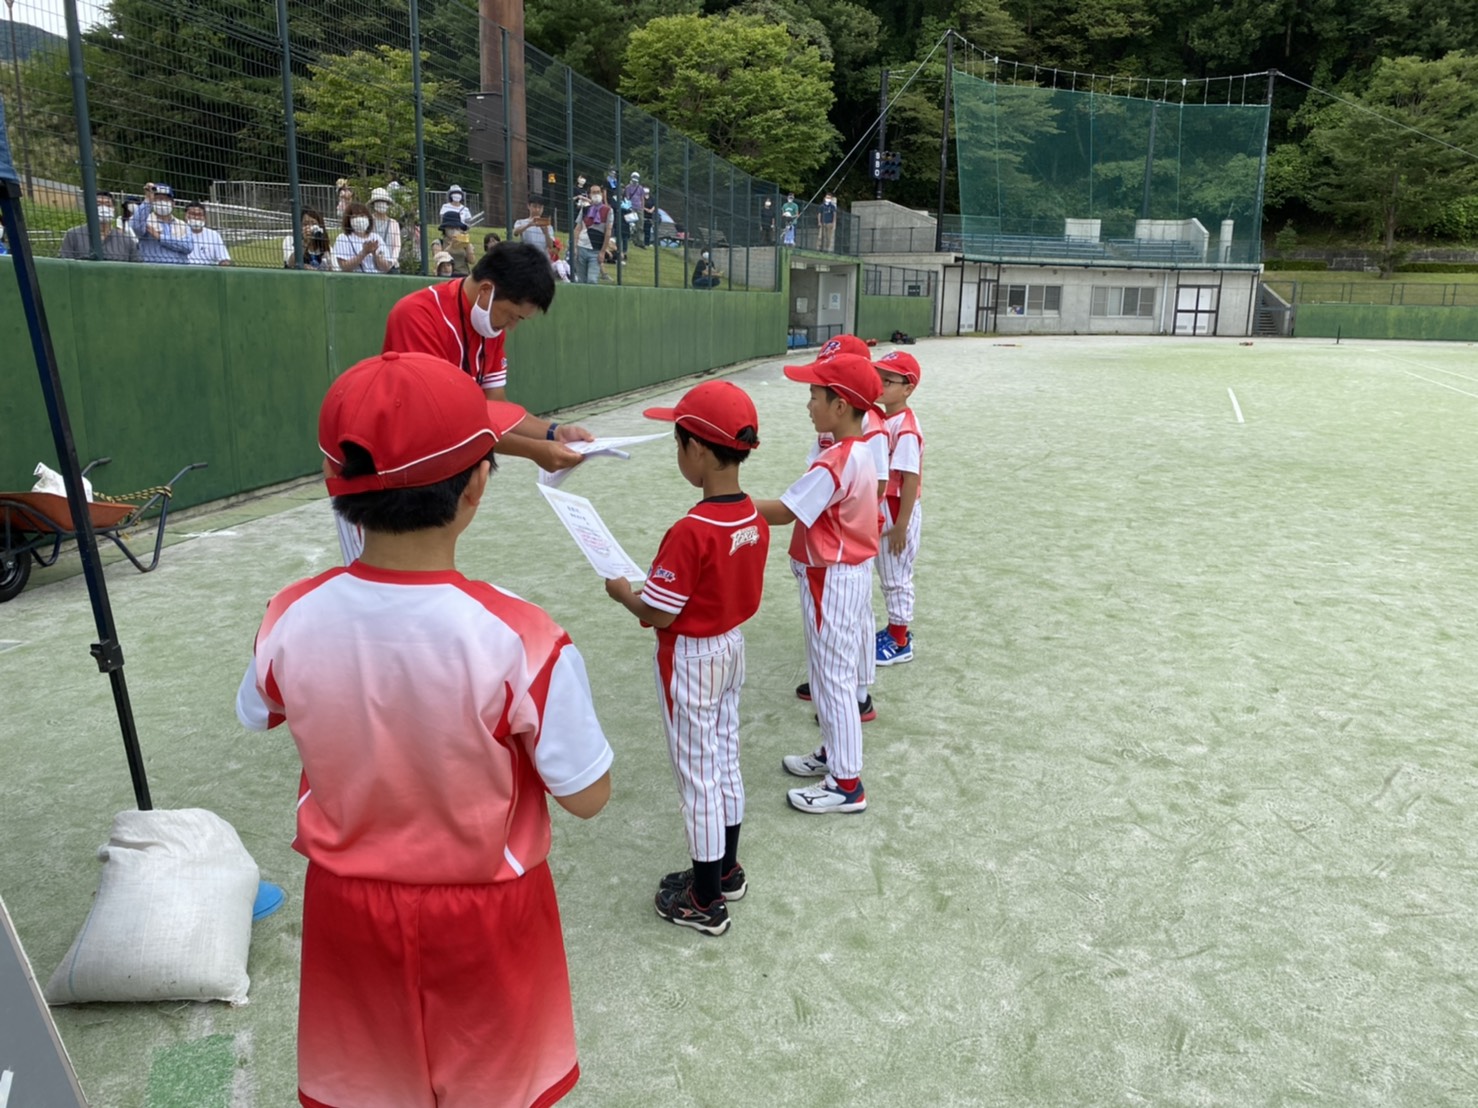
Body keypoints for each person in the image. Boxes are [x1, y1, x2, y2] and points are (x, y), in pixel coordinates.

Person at [236, 350, 614, 1108]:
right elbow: (588, 795)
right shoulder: (523, 634)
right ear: (477, 483)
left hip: (349, 907)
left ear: (333, 485)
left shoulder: (289, 613)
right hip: (488, 914)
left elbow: (260, 710)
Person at [604, 381, 768, 936]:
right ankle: (725, 871)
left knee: (698, 776)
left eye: (679, 443)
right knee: (724, 758)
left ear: (696, 449)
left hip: (692, 658)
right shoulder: (754, 515)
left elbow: (661, 614)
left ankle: (704, 900)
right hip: (731, 648)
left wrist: (624, 593)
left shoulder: (691, 529)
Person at [754, 352, 883, 814]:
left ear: (841, 405)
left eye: (815, 395)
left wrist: (729, 502)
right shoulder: (857, 450)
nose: (808, 403)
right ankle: (833, 754)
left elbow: (787, 511)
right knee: (832, 676)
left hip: (831, 579)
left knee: (833, 680)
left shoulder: (838, 460)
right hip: (838, 577)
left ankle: (846, 784)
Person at [872, 351, 924, 666]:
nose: (880, 385)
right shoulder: (886, 418)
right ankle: (895, 629)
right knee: (889, 573)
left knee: (896, 575)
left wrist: (901, 525)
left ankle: (900, 639)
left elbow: (909, 478)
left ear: (908, 388)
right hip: (888, 508)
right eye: (878, 377)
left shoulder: (904, 426)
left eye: (888, 381)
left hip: (897, 511)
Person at [60, 190, 140, 262]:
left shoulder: (127, 241)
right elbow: (64, 264)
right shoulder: (73, 235)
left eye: (108, 205)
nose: (103, 208)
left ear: (113, 209)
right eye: (98, 204)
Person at [131, 183, 194, 264]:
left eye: (165, 199)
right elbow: (136, 226)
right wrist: (148, 200)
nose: (162, 202)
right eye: (158, 199)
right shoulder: (146, 221)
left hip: (180, 273)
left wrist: (160, 237)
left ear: (173, 203)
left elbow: (188, 246)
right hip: (154, 272)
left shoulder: (182, 225)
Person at [333, 202, 394, 274]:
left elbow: (386, 268)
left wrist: (375, 254)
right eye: (354, 217)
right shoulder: (343, 238)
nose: (359, 219)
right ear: (348, 220)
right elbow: (344, 267)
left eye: (362, 215)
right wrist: (364, 253)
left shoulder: (376, 238)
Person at [574, 183, 616, 284]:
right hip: (581, 248)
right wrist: (575, 247)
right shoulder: (585, 209)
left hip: (595, 250)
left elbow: (608, 232)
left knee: (592, 280)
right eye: (593, 192)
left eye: (598, 192)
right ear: (589, 195)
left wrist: (603, 251)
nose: (596, 194)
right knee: (581, 280)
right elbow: (577, 229)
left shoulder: (608, 210)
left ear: (602, 194)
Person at [184, 202, 232, 266]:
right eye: (193, 214)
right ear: (186, 215)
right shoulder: (178, 232)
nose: (196, 217)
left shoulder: (214, 235)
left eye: (200, 214)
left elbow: (224, 259)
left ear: (204, 217)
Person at [368, 187, 402, 273]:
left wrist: (391, 261)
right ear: (373, 204)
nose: (381, 204)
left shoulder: (394, 223)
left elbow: (397, 246)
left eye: (384, 201)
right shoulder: (369, 221)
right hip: (372, 266)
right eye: (378, 201)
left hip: (391, 266)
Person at [622, 172, 644, 255]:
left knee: (640, 225)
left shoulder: (640, 188)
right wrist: (629, 207)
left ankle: (640, 242)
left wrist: (642, 207)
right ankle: (634, 240)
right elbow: (627, 197)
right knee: (632, 225)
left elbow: (642, 198)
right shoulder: (628, 187)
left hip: (639, 208)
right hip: (631, 207)